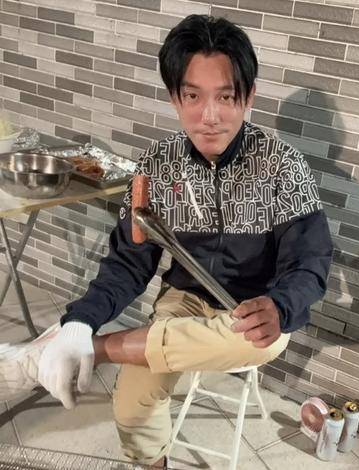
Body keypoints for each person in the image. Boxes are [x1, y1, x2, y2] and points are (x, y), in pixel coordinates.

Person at [0, 14, 332, 468]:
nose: (209, 116)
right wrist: (80, 321)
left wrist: (281, 305)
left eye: (226, 97)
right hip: (183, 301)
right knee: (131, 408)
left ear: (249, 96)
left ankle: (90, 351)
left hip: (253, 308)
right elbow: (128, 262)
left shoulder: (282, 166)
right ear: (175, 97)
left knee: (267, 342)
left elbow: (310, 262)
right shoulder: (157, 165)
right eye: (193, 96)